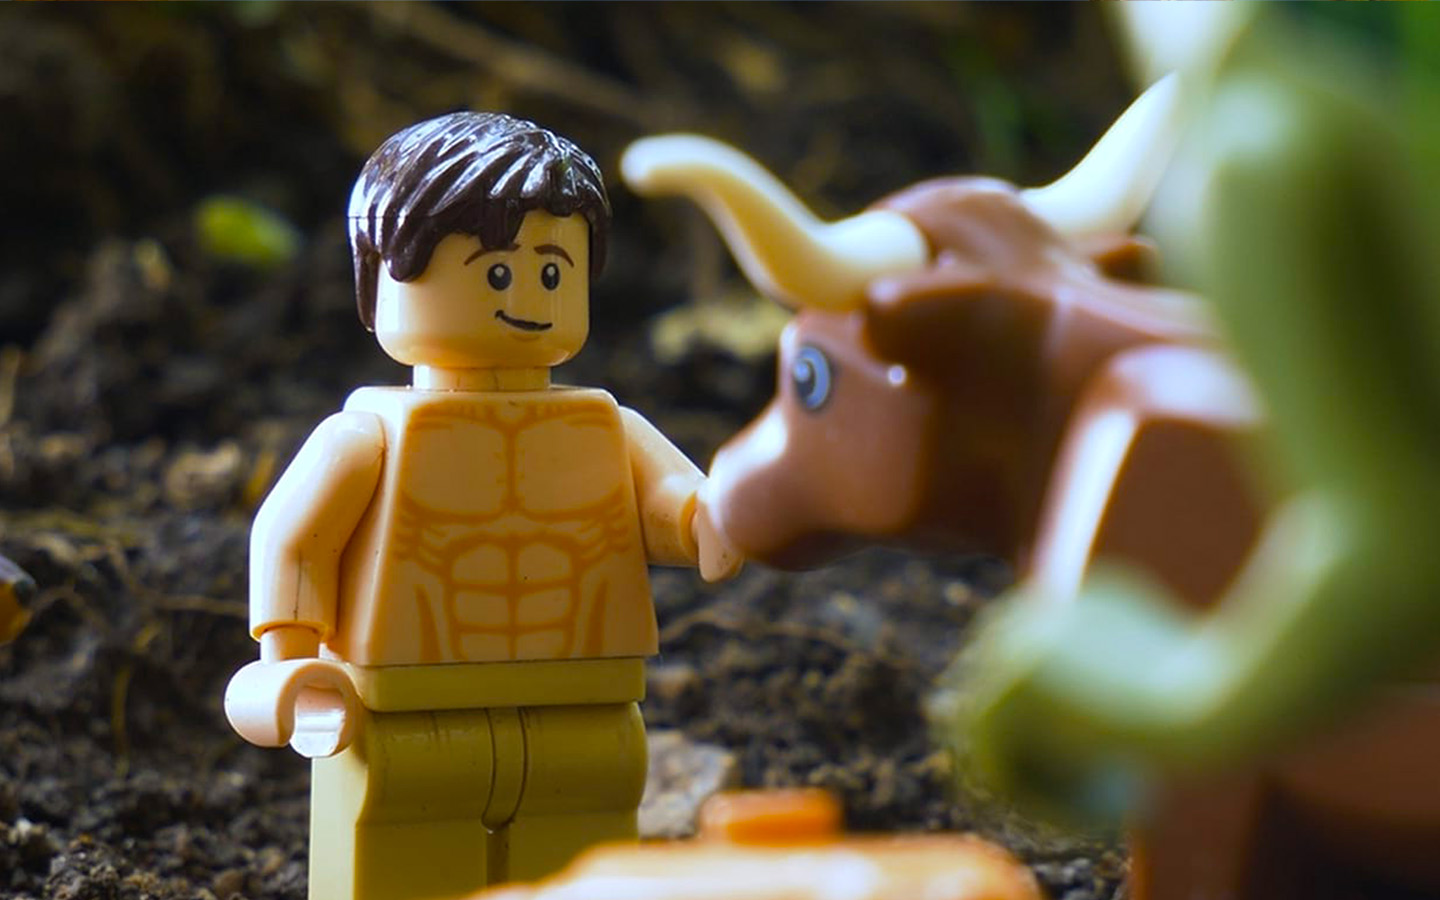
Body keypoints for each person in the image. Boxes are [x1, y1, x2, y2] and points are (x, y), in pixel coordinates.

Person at [225, 111, 740, 900]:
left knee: (579, 855)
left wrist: (721, 517)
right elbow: (293, 539)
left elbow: (673, 507)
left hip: (589, 706)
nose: (527, 295)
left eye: (553, 272)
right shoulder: (367, 436)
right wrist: (286, 660)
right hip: (409, 717)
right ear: (382, 278)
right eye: (495, 273)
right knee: (404, 854)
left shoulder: (609, 427)